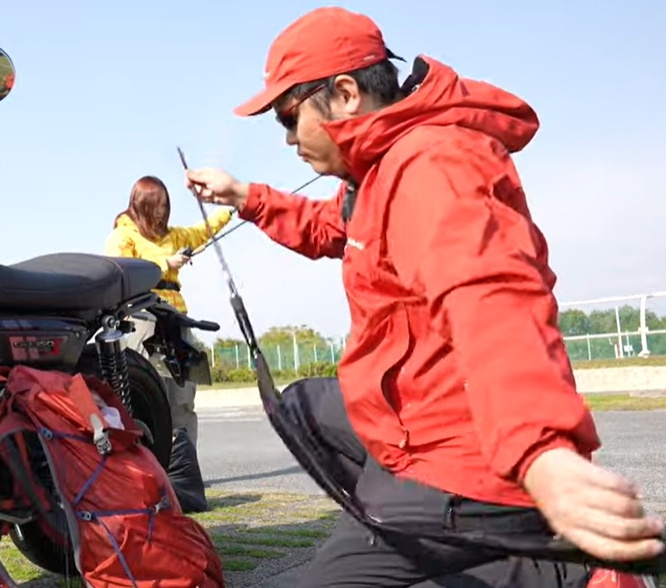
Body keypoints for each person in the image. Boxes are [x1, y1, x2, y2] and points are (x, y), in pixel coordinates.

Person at [182, 7, 664, 587]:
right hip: (412, 418)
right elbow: (336, 228)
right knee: (304, 404)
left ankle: (539, 563)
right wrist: (246, 196)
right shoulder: (377, 172)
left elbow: (490, 297)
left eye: (288, 117)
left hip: (459, 459)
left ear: (344, 94)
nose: (287, 139)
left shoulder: (431, 165)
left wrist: (540, 453)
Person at [104, 175, 233, 447]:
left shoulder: (175, 235)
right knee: (150, 396)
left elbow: (202, 231)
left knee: (183, 398)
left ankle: (186, 469)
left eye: (165, 205)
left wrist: (231, 210)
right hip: (143, 320)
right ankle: (152, 468)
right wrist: (165, 263)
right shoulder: (122, 234)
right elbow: (119, 269)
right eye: (156, 205)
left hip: (177, 323)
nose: (162, 211)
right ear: (141, 205)